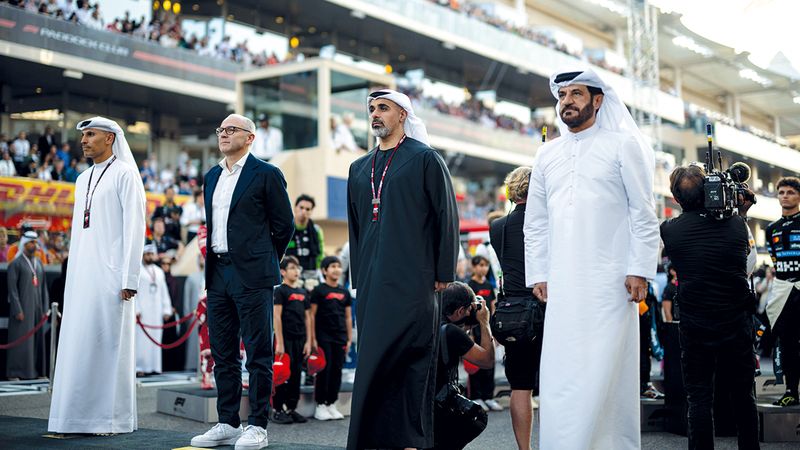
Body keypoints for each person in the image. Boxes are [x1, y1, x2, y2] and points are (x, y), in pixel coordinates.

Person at [524, 68, 660, 449]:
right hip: (562, 285)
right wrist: (539, 273)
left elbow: (643, 212)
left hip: (611, 284)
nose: (567, 101)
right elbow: (535, 222)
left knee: (607, 375)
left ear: (598, 101)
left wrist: (639, 269)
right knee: (561, 373)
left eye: (576, 94)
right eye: (562, 95)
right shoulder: (547, 154)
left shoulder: (622, 146)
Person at [346, 89, 459, 449]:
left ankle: (410, 441)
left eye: (383, 108)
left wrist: (444, 271)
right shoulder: (358, 168)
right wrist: (359, 277)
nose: (375, 114)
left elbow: (445, 216)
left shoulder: (425, 158)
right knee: (373, 362)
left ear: (403, 115)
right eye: (372, 108)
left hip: (415, 281)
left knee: (411, 362)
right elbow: (355, 228)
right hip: (371, 284)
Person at [190, 114, 293, 450]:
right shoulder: (211, 176)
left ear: (250, 137)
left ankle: (258, 425)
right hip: (218, 273)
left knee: (258, 354)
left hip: (253, 274)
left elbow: (285, 225)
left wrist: (264, 259)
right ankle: (228, 422)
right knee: (223, 353)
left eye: (231, 129)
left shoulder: (266, 174)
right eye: (220, 129)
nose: (223, 134)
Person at [48, 116, 146, 434]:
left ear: (110, 138)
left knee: (108, 347)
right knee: (78, 344)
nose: (84, 140)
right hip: (82, 276)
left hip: (112, 279)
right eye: (83, 135)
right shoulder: (81, 179)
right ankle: (73, 418)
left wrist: (129, 278)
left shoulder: (126, 174)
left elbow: (135, 228)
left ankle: (110, 420)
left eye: (91, 134)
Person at [660, 165, 759, 449]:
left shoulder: (669, 230)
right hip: (735, 321)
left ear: (676, 198)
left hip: (695, 324)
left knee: (699, 398)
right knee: (743, 396)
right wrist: (741, 211)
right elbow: (748, 261)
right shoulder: (737, 224)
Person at [490, 166, 543, 450]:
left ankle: (524, 448)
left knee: (520, 387)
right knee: (557, 382)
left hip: (514, 312)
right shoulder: (546, 222)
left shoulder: (497, 227)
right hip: (545, 306)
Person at [436, 281, 495, 450]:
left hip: (416, 404)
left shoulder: (430, 321)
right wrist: (484, 322)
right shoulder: (451, 332)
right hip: (439, 405)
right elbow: (487, 360)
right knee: (477, 417)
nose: (471, 312)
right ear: (460, 311)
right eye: (469, 309)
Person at [764, 176, 800, 407]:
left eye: (790, 192)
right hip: (784, 291)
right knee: (787, 343)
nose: (785, 196)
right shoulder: (771, 229)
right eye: (782, 192)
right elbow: (775, 261)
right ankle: (791, 391)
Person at [310, 256, 353, 421]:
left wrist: (349, 338)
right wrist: (313, 338)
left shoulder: (344, 292)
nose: (336, 269)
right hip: (323, 337)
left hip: (340, 337)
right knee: (324, 370)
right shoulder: (318, 290)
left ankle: (331, 403)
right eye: (332, 266)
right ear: (324, 270)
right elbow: (311, 316)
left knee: (337, 370)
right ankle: (320, 405)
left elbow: (348, 317)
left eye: (338, 266)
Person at [271, 256, 312, 424]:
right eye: (292, 268)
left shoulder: (303, 292)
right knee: (282, 375)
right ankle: (277, 409)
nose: (296, 271)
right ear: (283, 271)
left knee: (296, 375)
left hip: (300, 340)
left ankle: (291, 408)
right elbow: (277, 317)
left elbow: (308, 318)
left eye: (297, 268)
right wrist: (280, 342)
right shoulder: (280, 291)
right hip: (285, 340)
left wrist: (309, 341)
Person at [6, 231, 48, 380]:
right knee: (22, 341)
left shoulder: (39, 263)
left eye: (35, 242)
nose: (34, 245)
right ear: (24, 244)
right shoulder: (15, 264)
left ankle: (35, 372)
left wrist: (45, 309)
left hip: (38, 309)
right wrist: (17, 310)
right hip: (22, 310)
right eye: (31, 242)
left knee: (36, 341)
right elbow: (12, 290)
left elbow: (44, 288)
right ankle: (15, 372)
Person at [466, 255, 502, 412]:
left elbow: (493, 308)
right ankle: (476, 397)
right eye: (480, 265)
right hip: (475, 330)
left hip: (487, 329)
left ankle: (489, 397)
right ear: (474, 267)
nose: (483, 268)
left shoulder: (488, 285)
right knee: (476, 365)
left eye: (486, 265)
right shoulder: (470, 285)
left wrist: (495, 330)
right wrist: (469, 333)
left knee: (490, 363)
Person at [134, 244, 173, 376]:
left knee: (156, 338)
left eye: (151, 254)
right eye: (147, 254)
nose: (149, 256)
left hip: (156, 311)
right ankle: (139, 367)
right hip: (142, 313)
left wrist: (166, 309)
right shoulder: (137, 270)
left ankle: (154, 367)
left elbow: (164, 291)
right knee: (141, 340)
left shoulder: (159, 271)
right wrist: (136, 309)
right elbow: (134, 293)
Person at [285, 194, 325, 282]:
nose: (304, 211)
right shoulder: (285, 228)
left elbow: (320, 253)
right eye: (301, 207)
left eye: (308, 209)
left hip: (311, 274)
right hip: (288, 274)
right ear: (295, 208)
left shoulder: (316, 230)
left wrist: (318, 269)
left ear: (311, 211)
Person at [184, 254, 206, 371]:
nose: (202, 260)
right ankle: (192, 365)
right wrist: (187, 315)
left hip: (208, 316)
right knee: (194, 342)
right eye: (200, 258)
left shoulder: (213, 276)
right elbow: (186, 299)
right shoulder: (191, 277)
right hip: (194, 316)